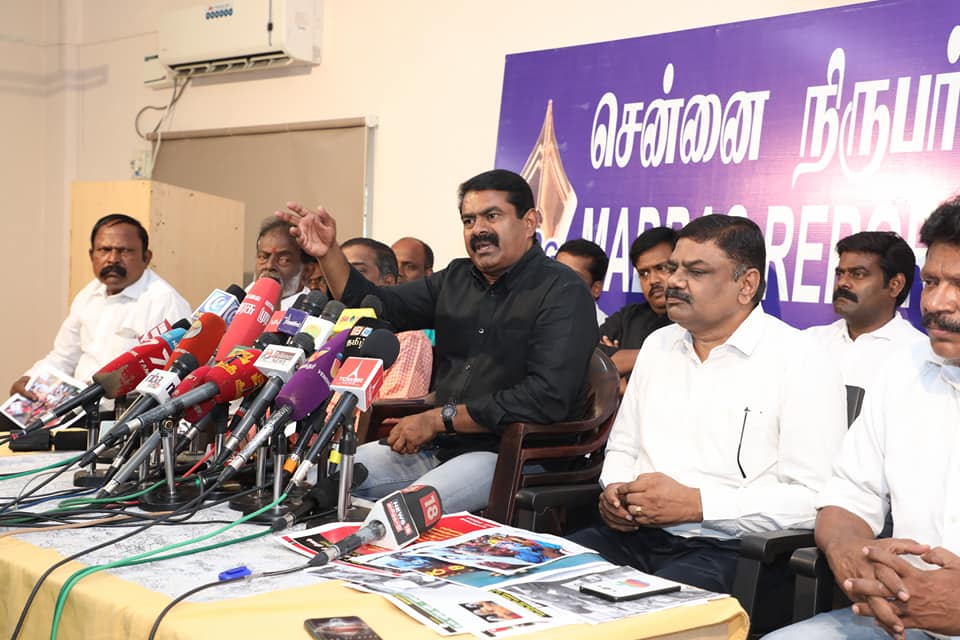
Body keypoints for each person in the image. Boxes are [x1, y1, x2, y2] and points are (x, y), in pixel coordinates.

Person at [277, 169, 598, 514]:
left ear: (529, 221)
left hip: (511, 453)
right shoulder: (457, 278)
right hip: (439, 447)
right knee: (311, 481)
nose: (479, 229)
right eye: (469, 220)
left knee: (399, 514)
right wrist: (328, 253)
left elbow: (547, 397)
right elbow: (377, 304)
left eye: (492, 216)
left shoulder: (563, 291)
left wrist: (438, 419)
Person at [570, 215, 846, 593]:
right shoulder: (658, 346)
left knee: (644, 613)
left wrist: (698, 505)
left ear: (746, 284)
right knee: (535, 578)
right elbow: (623, 447)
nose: (674, 282)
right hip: (633, 535)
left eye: (696, 272)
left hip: (732, 551)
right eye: (674, 268)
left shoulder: (801, 359)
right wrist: (617, 490)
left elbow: (814, 498)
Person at [763, 198, 960, 640]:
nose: (936, 302)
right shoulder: (904, 369)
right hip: (899, 619)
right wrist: (851, 552)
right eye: (932, 282)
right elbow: (848, 496)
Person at [10, 214, 191, 398]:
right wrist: (31, 379)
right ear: (92, 255)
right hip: (79, 405)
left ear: (146, 257)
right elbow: (64, 357)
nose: (113, 259)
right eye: (104, 250)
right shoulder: (88, 294)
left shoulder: (165, 302)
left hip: (129, 411)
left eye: (125, 251)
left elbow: (174, 376)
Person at [805, 231, 926, 391]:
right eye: (840, 274)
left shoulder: (920, 356)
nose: (842, 283)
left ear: (895, 285)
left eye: (858, 274)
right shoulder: (809, 342)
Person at [341, 237, 432, 400]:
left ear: (388, 282)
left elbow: (393, 409)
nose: (345, 281)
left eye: (357, 273)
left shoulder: (407, 338)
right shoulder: (329, 332)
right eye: (339, 272)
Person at [599, 226, 677, 393]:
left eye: (661, 268)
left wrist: (620, 361)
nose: (652, 280)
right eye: (644, 273)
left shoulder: (693, 323)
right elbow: (590, 358)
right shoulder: (627, 317)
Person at [252, 217, 319, 310]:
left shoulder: (309, 315)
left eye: (283, 260)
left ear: (306, 272)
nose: (269, 265)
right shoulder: (241, 301)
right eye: (263, 257)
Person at [555, 238, 610, 325]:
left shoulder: (606, 331)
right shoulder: (535, 322)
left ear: (596, 289)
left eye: (571, 277)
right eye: (556, 273)